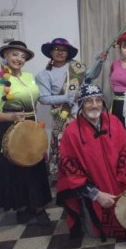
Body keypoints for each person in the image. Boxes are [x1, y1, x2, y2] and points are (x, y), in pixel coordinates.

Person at [56, 83, 126, 240]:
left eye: (98, 100)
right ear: (81, 105)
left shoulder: (113, 122)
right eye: (88, 101)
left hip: (118, 180)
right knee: (96, 231)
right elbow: (69, 170)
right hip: (93, 188)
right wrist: (96, 195)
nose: (94, 105)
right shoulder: (71, 132)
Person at [0, 41, 52, 225]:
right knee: (16, 170)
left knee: (35, 167)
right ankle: (22, 208)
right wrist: (11, 116)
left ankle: (39, 207)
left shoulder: (30, 77)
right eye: (15, 54)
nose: (19, 59)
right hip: (10, 128)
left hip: (31, 127)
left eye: (23, 56)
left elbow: (40, 96)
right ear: (6, 55)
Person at [36, 37, 102, 175]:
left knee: (86, 148)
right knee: (66, 150)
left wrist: (99, 61)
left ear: (68, 53)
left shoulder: (76, 67)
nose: (60, 52)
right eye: (56, 49)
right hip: (62, 116)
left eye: (64, 50)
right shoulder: (44, 75)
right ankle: (68, 178)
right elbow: (43, 98)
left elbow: (91, 74)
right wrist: (66, 97)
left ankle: (88, 176)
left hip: (83, 116)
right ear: (51, 52)